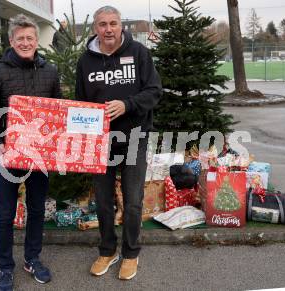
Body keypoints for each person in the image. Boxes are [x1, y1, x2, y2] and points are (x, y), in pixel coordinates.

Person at [75, 6, 162, 280]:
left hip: (134, 135)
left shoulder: (138, 54)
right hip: (99, 140)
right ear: (95, 29)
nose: (108, 29)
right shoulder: (85, 62)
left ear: (121, 26)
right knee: (102, 200)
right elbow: (80, 103)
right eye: (102, 24)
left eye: (113, 23)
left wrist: (127, 105)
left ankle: (131, 253)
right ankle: (107, 250)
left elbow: (154, 91)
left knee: (133, 200)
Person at [0, 14, 61, 291]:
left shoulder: (50, 71)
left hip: (40, 155)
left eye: (30, 38)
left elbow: (59, 113)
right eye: (20, 38)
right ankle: (5, 268)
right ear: (11, 41)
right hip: (8, 155)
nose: (25, 42)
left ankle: (32, 259)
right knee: (5, 214)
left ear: (37, 41)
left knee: (37, 209)